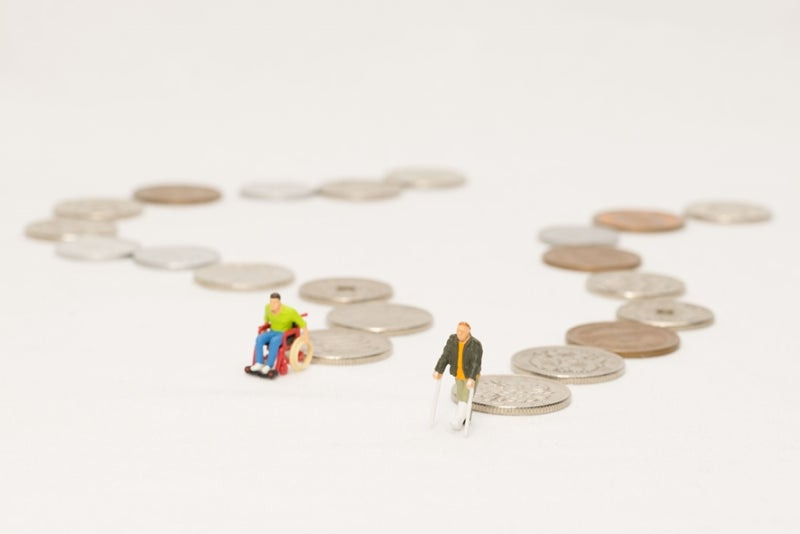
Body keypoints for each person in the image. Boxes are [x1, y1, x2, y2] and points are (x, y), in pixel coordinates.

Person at [433, 322, 482, 430]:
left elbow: (475, 363)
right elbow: (445, 356)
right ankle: (466, 417)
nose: (459, 333)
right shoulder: (452, 340)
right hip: (458, 375)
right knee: (462, 398)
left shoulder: (475, 344)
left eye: (462, 331)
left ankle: (458, 419)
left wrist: (472, 378)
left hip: (470, 376)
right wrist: (439, 370)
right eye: (458, 330)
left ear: (468, 332)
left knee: (464, 398)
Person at [250, 292, 308, 377]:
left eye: (274, 303)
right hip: (272, 331)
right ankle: (259, 363)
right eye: (271, 302)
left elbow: (303, 324)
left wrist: (306, 337)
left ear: (279, 303)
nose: (272, 305)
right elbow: (266, 320)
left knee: (274, 341)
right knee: (259, 338)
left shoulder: (290, 312)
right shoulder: (267, 308)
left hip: (284, 334)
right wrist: (263, 328)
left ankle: (269, 365)